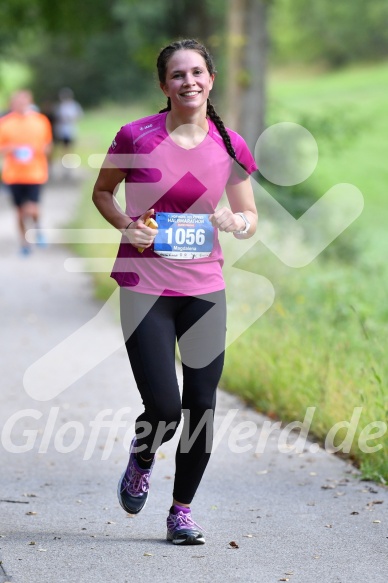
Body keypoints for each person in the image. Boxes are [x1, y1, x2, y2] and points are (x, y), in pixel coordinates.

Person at [92, 39, 258, 545]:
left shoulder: (230, 144)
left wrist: (237, 221)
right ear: (164, 85)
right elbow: (102, 190)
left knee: (201, 408)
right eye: (178, 75)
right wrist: (125, 224)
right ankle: (142, 458)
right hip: (145, 288)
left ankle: (181, 511)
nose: (189, 81)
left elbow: (249, 216)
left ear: (211, 79)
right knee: (165, 409)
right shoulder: (135, 136)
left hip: (205, 290)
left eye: (197, 72)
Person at [0, 90, 52, 254]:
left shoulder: (41, 121)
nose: (21, 105)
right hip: (14, 175)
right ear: (12, 104)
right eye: (17, 102)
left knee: (32, 208)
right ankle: (24, 243)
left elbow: (48, 144)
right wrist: (11, 149)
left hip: (35, 173)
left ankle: (37, 228)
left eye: (24, 102)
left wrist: (41, 150)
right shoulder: (5, 123)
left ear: (30, 102)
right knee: (20, 212)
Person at [53, 88, 83, 152]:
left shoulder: (74, 105)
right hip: (62, 128)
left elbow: (79, 116)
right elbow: (56, 117)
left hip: (71, 127)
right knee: (63, 144)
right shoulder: (60, 106)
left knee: (70, 144)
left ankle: (69, 156)